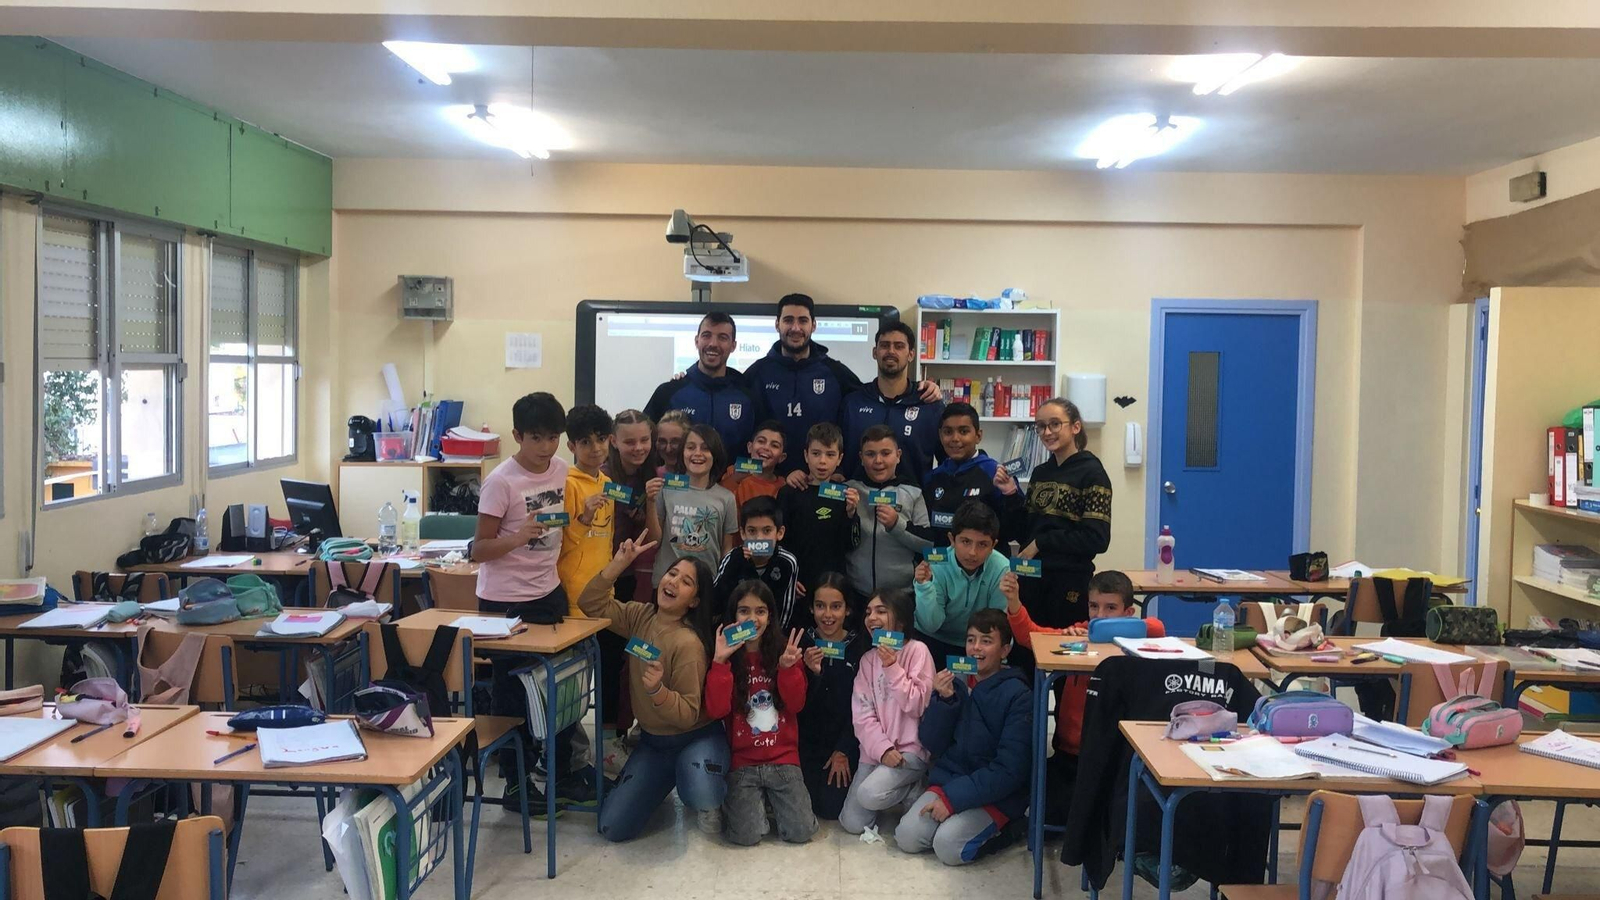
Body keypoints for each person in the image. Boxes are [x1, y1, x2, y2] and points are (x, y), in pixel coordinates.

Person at [470, 391, 590, 811]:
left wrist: (583, 516)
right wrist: (519, 536)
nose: (546, 447)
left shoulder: (560, 469)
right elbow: (478, 549)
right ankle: (516, 784)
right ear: (518, 435)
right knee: (514, 694)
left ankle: (561, 772)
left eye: (553, 437)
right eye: (536, 437)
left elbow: (560, 521)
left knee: (563, 684)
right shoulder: (500, 482)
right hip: (505, 602)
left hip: (548, 591)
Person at [581, 538, 725, 842]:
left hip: (695, 737)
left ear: (694, 601)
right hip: (653, 743)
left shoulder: (688, 643)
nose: (673, 582)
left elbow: (688, 715)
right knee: (612, 827)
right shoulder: (641, 616)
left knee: (698, 792)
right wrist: (618, 564)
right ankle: (661, 782)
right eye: (672, 573)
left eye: (686, 582)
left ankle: (712, 785)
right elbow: (590, 604)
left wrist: (658, 690)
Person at [1004, 569, 1163, 825]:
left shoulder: (1139, 636)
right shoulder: (1079, 632)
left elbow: (1158, 627)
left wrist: (1119, 630)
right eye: (1094, 606)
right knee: (1046, 812)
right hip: (1071, 751)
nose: (1100, 615)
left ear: (1128, 612)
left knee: (1114, 817)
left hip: (1114, 754)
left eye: (1111, 608)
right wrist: (1014, 602)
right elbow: (1029, 635)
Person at [746, 295, 942, 476]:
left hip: (823, 483)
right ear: (777, 324)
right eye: (788, 320)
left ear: (813, 325)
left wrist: (920, 387)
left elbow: (878, 394)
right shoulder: (757, 373)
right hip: (769, 481)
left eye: (803, 321)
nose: (795, 328)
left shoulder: (835, 372)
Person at [898, 608, 1031, 867]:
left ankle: (1012, 829)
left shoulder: (1019, 694)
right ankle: (958, 821)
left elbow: (1010, 770)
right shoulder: (955, 681)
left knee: (948, 848)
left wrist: (952, 801)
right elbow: (931, 742)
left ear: (1004, 650)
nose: (976, 648)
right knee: (907, 838)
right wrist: (943, 702)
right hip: (951, 779)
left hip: (996, 794)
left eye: (986, 640)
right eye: (971, 640)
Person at [705, 581, 815, 845]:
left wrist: (788, 669)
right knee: (745, 836)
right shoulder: (726, 657)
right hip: (743, 763)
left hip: (784, 758)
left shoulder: (785, 652)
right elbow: (717, 710)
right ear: (734, 615)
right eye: (744, 611)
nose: (752, 619)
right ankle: (756, 806)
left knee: (801, 832)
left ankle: (769, 803)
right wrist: (720, 662)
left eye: (760, 611)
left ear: (770, 616)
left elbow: (796, 704)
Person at [998, 397, 1112, 632]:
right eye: (1041, 426)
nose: (1047, 432)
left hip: (1068, 582)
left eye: (1055, 424)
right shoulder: (1040, 473)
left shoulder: (1093, 473)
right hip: (1030, 578)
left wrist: (1042, 542)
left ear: (1075, 427)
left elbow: (1096, 538)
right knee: (1025, 646)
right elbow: (1023, 532)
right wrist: (1010, 494)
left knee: (1061, 647)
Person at [838, 589, 934, 837]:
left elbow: (917, 705)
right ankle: (905, 789)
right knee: (852, 823)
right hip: (875, 752)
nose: (872, 618)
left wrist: (892, 666)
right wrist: (882, 750)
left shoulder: (918, 651)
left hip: (910, 751)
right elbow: (862, 715)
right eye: (868, 612)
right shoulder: (868, 660)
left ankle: (914, 784)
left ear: (900, 621)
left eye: (881, 611)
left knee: (868, 794)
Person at [645, 311, 766, 456]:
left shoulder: (748, 396)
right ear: (697, 341)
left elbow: (761, 448)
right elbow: (645, 441)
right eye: (706, 335)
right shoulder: (668, 392)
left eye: (722, 338)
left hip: (734, 472)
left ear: (733, 346)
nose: (713, 344)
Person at [797, 573, 868, 821]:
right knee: (804, 805)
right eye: (820, 606)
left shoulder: (859, 646)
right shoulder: (800, 642)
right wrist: (812, 674)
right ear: (811, 608)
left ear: (848, 609)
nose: (827, 615)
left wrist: (844, 750)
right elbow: (795, 706)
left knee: (830, 809)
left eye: (836, 606)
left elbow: (864, 707)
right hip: (806, 741)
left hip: (844, 740)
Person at [841, 321, 944, 485]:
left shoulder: (929, 404)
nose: (891, 351)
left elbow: (948, 461)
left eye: (899, 346)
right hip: (858, 499)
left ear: (911, 354)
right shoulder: (852, 403)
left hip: (913, 499)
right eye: (884, 345)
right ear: (875, 352)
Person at [911, 500, 1012, 664]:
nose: (972, 552)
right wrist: (924, 587)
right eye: (966, 541)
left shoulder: (1002, 568)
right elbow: (931, 625)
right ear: (952, 540)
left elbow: (998, 626)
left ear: (993, 545)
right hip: (933, 639)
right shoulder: (935, 563)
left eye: (982, 544)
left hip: (978, 644)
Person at [777, 422, 861, 613]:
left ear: (840, 459)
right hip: (798, 584)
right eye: (816, 453)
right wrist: (788, 576)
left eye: (830, 455)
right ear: (806, 455)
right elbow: (780, 541)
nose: (822, 461)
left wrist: (851, 514)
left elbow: (851, 545)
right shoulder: (790, 492)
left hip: (833, 584)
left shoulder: (845, 494)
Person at [845, 425, 933, 599]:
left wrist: (896, 524)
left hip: (901, 595)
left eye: (886, 453)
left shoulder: (913, 493)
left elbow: (928, 544)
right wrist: (849, 517)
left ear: (898, 456)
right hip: (857, 593)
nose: (878, 461)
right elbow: (835, 541)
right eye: (870, 454)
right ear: (861, 458)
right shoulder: (849, 491)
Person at [648, 424, 739, 586]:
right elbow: (654, 540)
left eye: (705, 448)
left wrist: (723, 585)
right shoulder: (665, 489)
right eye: (690, 447)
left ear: (715, 454)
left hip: (706, 585)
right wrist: (650, 501)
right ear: (682, 453)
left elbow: (726, 549)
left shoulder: (727, 498)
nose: (697, 453)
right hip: (666, 582)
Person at [713, 496, 801, 631]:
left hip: (769, 635)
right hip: (734, 634)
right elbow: (716, 602)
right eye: (752, 531)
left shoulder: (787, 562)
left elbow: (784, 610)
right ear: (743, 533)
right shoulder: (732, 558)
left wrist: (774, 640)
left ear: (780, 533)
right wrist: (740, 564)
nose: (759, 538)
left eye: (767, 531)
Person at [559, 404, 615, 614]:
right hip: (575, 592)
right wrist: (584, 519)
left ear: (610, 439)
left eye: (601, 439)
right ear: (571, 447)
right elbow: (559, 543)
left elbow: (608, 538)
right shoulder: (567, 484)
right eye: (585, 442)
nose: (596, 448)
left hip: (602, 589)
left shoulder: (607, 483)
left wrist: (609, 578)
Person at [924, 403, 1008, 544]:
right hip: (942, 557)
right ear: (940, 435)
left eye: (963, 432)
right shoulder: (932, 478)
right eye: (948, 432)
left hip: (984, 556)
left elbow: (1012, 528)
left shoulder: (995, 474)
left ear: (978, 436)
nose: (955, 438)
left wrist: (1011, 495)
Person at [604, 408, 661, 604]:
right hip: (598, 570)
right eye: (629, 442)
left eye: (644, 440)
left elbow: (653, 539)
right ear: (613, 441)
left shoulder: (649, 476)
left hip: (626, 572)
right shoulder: (602, 477)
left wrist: (650, 502)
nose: (638, 447)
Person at [720, 419, 787, 509]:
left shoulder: (783, 486)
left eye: (774, 445)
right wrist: (733, 480)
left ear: (782, 457)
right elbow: (716, 502)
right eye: (761, 441)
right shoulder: (732, 473)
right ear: (750, 447)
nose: (766, 448)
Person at [654, 409, 691, 476]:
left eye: (675, 442)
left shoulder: (699, 477)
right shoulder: (650, 475)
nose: (668, 449)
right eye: (663, 442)